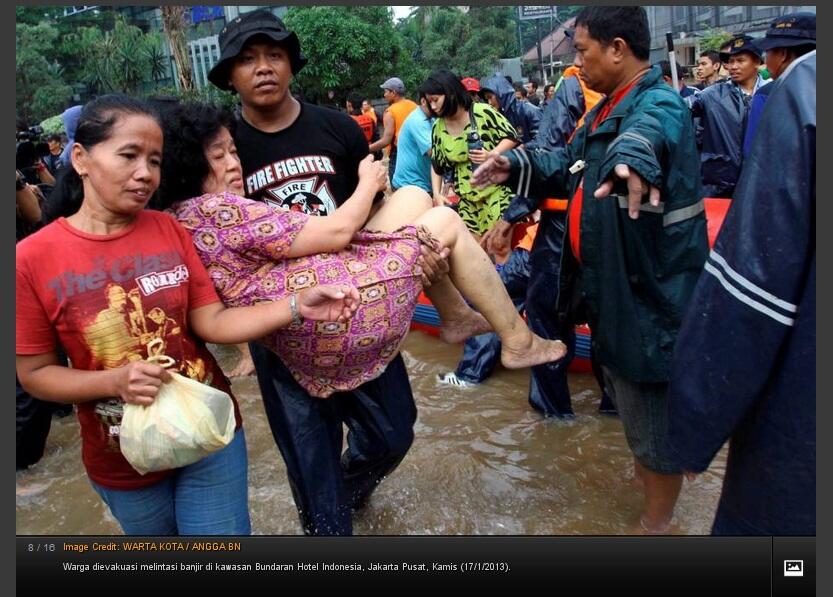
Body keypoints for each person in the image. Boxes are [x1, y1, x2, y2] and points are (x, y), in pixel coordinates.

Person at [16, 94, 361, 536]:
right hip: (123, 457)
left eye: (154, 160)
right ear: (80, 158)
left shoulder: (168, 228)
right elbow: (35, 374)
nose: (145, 173)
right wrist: (113, 382)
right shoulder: (31, 259)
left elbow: (212, 323)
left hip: (208, 432)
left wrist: (296, 305)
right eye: (129, 155)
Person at [204, 9, 444, 536]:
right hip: (281, 330)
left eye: (274, 55)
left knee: (394, 435)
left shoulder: (336, 128)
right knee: (313, 471)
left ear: (291, 64)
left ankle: (351, 491)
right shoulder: (222, 149)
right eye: (247, 59)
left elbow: (376, 219)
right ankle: (328, 524)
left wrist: (414, 254)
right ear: (229, 75)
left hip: (359, 312)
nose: (263, 68)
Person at [471, 6, 707, 533]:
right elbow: (567, 165)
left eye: (582, 51)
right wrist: (518, 165)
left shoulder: (657, 104)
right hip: (613, 285)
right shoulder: (601, 114)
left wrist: (636, 158)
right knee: (632, 407)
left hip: (649, 294)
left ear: (618, 48)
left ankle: (657, 525)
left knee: (650, 408)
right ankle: (650, 479)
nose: (576, 64)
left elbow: (649, 136)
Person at [157, 101, 568, 396]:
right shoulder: (223, 210)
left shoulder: (182, 218)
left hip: (309, 304)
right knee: (444, 221)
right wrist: (369, 182)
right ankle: (518, 340)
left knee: (414, 198)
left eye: (234, 151)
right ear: (190, 163)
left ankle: (456, 315)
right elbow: (336, 232)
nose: (234, 164)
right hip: (331, 316)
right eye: (219, 156)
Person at [668, 13, 815, 535]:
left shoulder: (798, 98)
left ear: (775, 58)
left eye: (740, 58)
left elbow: (752, 291)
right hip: (731, 195)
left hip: (801, 425)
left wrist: (694, 424)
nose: (732, 66)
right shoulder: (709, 100)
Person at [478, 58, 605, 418]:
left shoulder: (574, 87)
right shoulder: (648, 97)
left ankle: (553, 417)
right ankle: (612, 414)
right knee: (607, 322)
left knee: (547, 315)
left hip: (566, 222)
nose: (579, 61)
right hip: (610, 223)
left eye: (582, 49)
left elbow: (549, 158)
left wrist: (510, 216)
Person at [425, 69, 520, 237]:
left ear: (451, 93)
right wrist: (437, 194)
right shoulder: (438, 127)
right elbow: (436, 164)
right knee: (475, 251)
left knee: (499, 246)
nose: (432, 106)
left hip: (497, 191)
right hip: (468, 200)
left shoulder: (482, 112)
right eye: (429, 101)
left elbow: (511, 137)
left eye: (435, 100)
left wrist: (492, 153)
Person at [686, 35, 768, 198]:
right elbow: (679, 108)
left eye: (740, 60)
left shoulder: (771, 93)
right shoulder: (713, 95)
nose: (733, 66)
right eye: (730, 61)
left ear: (757, 62)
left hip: (760, 184)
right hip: (720, 187)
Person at [742, 13, 815, 159]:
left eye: (767, 53)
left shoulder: (769, 93)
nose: (766, 60)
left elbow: (755, 153)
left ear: (782, 54)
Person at [368, 76, 418, 187]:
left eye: (386, 92)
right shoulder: (414, 106)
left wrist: (367, 148)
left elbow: (386, 140)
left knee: (398, 188)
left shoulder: (390, 112)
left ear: (393, 92)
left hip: (399, 153)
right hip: (416, 151)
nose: (384, 95)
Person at [391, 91, 434, 194]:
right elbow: (434, 152)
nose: (436, 105)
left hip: (421, 183)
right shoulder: (418, 120)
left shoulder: (431, 117)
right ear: (423, 101)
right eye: (433, 101)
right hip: (411, 186)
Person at [479, 74, 542, 145]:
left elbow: (542, 141)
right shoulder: (494, 116)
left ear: (501, 94)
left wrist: (523, 148)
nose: (489, 103)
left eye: (490, 97)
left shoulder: (529, 111)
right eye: (487, 99)